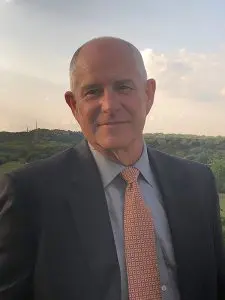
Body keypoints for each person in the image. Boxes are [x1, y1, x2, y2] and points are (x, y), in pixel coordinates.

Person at [0, 37, 224, 300]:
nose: (109, 105)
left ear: (148, 94)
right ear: (74, 105)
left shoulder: (198, 183)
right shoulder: (29, 194)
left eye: (124, 87)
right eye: (93, 91)